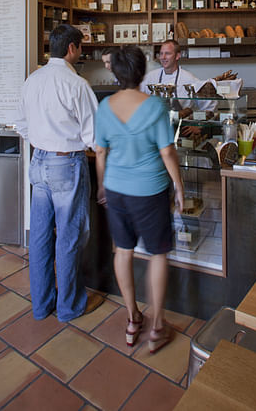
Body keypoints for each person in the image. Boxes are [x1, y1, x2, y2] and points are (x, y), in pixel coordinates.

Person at [95, 45, 184, 354]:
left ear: (116, 72)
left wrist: (102, 186)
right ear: (141, 72)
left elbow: (101, 152)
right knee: (158, 254)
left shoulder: (105, 107)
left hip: (117, 188)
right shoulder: (155, 105)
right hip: (150, 190)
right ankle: (157, 326)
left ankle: (133, 319)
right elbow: (167, 151)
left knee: (122, 250)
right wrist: (179, 185)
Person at [15, 24, 102, 322]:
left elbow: (21, 125)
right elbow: (95, 137)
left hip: (37, 162)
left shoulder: (33, 80)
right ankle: (68, 307)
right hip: (67, 165)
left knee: (39, 237)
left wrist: (44, 141)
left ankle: (41, 306)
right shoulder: (77, 84)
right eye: (80, 47)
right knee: (68, 237)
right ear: (72, 49)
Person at [140, 40, 215, 116]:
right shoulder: (150, 77)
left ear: (177, 56)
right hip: (155, 125)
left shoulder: (188, 78)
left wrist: (199, 126)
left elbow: (209, 105)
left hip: (179, 125)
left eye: (167, 53)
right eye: (161, 53)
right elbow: (136, 98)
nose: (163, 57)